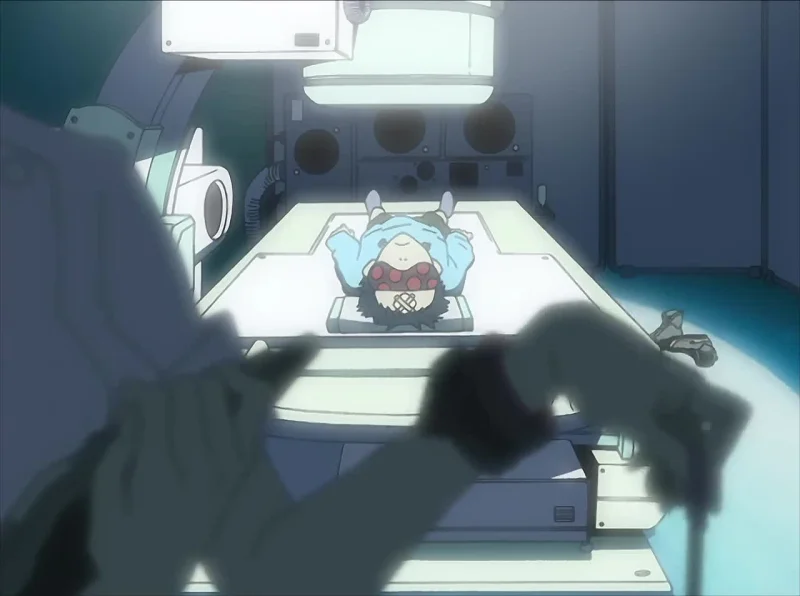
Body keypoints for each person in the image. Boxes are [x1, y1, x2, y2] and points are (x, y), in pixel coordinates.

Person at [0, 106, 750, 596]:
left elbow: (271, 562)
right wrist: (542, 361)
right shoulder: (74, 214)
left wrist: (544, 356)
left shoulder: (76, 203)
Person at [326, 190, 476, 329]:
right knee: (437, 218)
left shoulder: (355, 275)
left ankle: (375, 210)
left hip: (383, 227)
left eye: (385, 274)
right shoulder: (450, 276)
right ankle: (442, 213)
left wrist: (341, 234)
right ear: (436, 268)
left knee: (377, 217)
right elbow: (461, 251)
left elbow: (342, 245)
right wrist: (458, 236)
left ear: (369, 270)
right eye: (422, 273)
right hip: (429, 228)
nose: (403, 262)